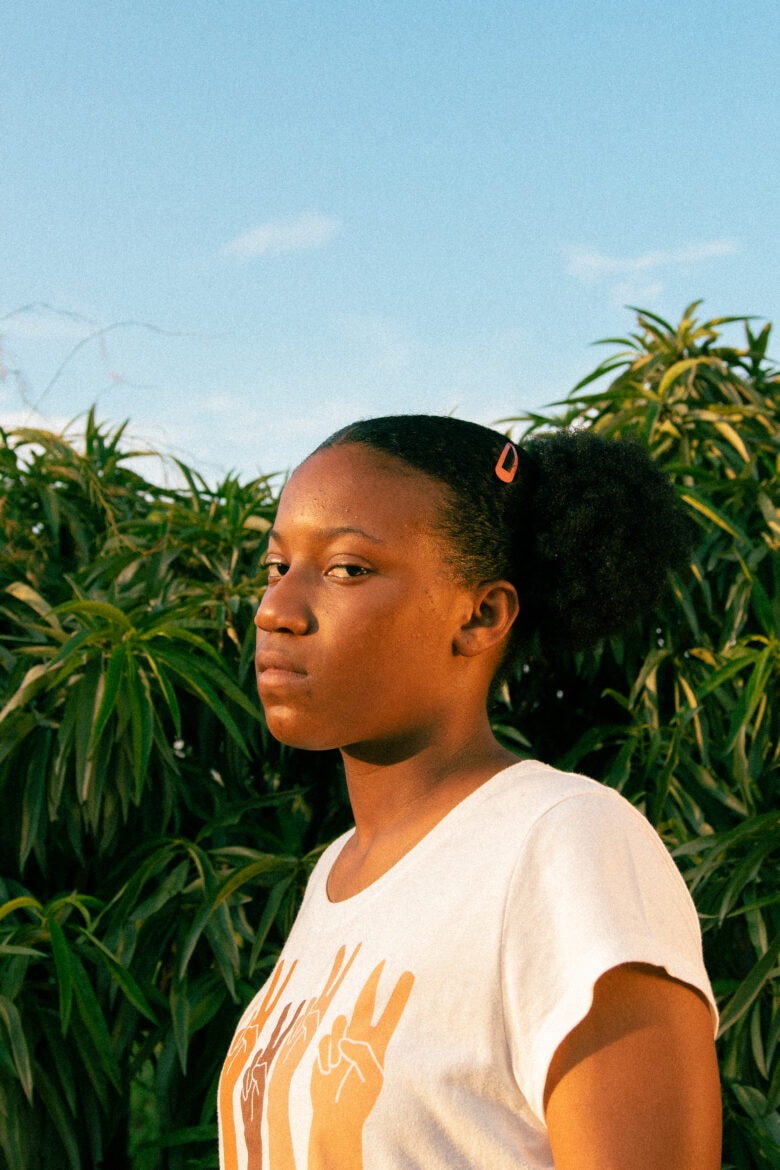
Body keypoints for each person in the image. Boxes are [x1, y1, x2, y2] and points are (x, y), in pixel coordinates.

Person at [218, 415, 721, 1170]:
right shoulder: (337, 876)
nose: (275, 610)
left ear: (481, 615)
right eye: (277, 566)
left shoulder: (562, 844)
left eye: (348, 568)